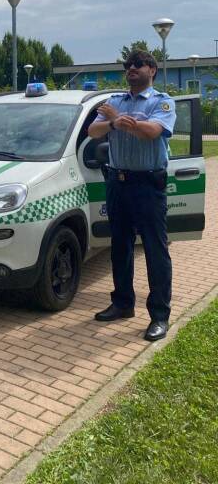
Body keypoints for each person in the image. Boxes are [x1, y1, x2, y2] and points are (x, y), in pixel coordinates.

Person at [88, 49, 176, 342]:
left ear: (152, 69)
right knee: (120, 247)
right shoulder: (114, 102)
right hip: (118, 182)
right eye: (128, 65)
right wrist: (114, 121)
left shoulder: (162, 101)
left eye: (138, 64)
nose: (131, 68)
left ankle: (159, 316)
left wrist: (123, 121)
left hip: (147, 185)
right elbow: (93, 130)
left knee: (155, 250)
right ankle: (123, 303)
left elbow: (152, 132)